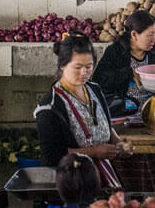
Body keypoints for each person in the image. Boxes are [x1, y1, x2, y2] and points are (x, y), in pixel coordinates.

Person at [34, 33, 133, 186]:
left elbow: (103, 122)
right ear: (62, 65)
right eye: (78, 67)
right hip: (72, 183)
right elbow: (51, 157)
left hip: (104, 177)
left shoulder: (94, 89)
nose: (84, 73)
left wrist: (119, 143)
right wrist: (93, 152)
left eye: (89, 66)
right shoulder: (50, 106)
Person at [92, 10, 155, 116]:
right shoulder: (115, 51)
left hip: (153, 114)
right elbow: (99, 82)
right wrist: (129, 73)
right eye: (150, 35)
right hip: (122, 114)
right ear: (134, 34)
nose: (154, 40)